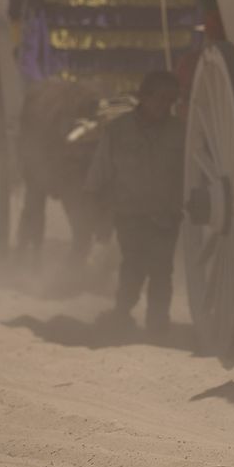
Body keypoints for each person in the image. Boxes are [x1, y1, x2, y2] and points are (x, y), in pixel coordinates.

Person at [89, 70, 185, 337]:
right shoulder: (118, 131)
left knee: (162, 270)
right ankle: (122, 311)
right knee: (134, 265)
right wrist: (99, 215)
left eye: (170, 101)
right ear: (144, 97)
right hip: (130, 215)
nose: (165, 106)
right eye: (160, 99)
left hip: (166, 215)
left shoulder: (181, 132)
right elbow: (99, 175)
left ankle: (158, 323)